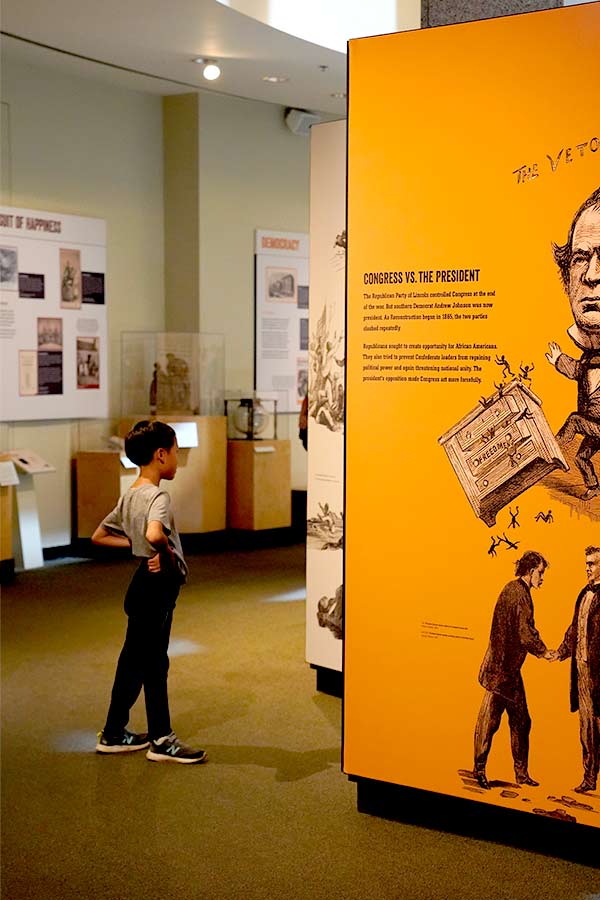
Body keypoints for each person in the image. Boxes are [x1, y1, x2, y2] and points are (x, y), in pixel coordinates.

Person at [92, 420, 207, 764]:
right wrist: (162, 552)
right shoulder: (158, 496)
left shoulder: (130, 494)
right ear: (160, 455)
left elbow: (99, 535)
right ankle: (161, 739)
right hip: (156, 588)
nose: (176, 457)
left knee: (138, 661)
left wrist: (136, 546)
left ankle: (116, 733)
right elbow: (157, 534)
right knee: (152, 664)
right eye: (174, 451)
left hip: (141, 585)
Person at [473, 551, 553, 789]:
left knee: (520, 720)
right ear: (530, 571)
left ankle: (521, 773)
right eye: (540, 573)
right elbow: (525, 632)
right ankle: (480, 770)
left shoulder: (514, 589)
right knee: (490, 721)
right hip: (501, 672)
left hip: (507, 670)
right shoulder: (518, 594)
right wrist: (544, 651)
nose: (542, 578)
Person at [546, 186, 600, 500]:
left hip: (591, 422)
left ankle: (553, 446)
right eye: (581, 258)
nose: (592, 275)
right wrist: (557, 360)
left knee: (575, 421)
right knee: (582, 457)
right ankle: (592, 486)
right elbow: (577, 370)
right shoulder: (589, 358)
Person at [553, 545, 600, 793]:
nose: (587, 568)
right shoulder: (583, 593)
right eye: (586, 563)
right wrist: (560, 652)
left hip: (598, 672)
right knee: (587, 726)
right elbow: (574, 630)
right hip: (582, 670)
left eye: (591, 564)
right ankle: (590, 777)